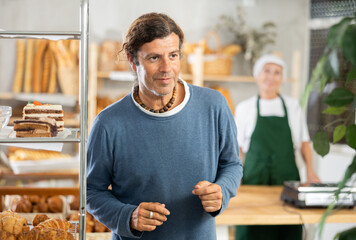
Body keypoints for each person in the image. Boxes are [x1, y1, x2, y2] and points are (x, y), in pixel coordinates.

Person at [86, 12, 243, 240]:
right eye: (154, 58)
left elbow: (232, 165)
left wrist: (222, 191)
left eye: (173, 55)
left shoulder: (214, 105)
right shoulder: (108, 123)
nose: (166, 67)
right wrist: (128, 217)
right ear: (133, 60)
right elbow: (92, 192)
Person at [234, 54, 320, 240]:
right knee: (253, 231)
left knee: (287, 230)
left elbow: (304, 141)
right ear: (257, 75)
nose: (271, 77)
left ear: (282, 78)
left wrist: (310, 172)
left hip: (287, 181)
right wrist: (234, 177)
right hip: (254, 180)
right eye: (266, 71)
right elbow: (237, 148)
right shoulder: (245, 108)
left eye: (277, 73)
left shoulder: (293, 106)